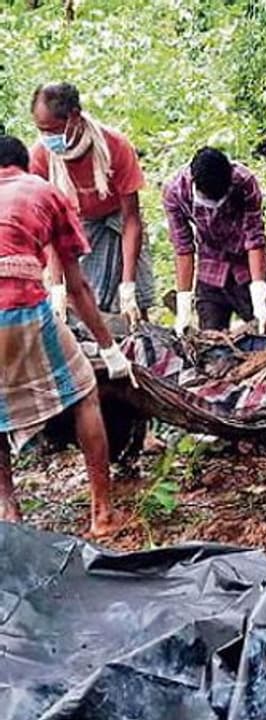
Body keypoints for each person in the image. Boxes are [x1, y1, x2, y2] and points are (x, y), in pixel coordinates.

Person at [0, 135, 132, 537]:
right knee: (83, 391)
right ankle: (103, 512)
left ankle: (7, 512)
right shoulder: (44, 191)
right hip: (18, 303)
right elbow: (78, 288)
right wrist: (109, 348)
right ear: (24, 164)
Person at [29, 83, 155, 325]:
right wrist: (57, 286)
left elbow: (131, 220)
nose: (47, 138)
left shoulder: (114, 146)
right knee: (82, 303)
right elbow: (50, 228)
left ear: (74, 117)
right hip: (77, 223)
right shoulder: (41, 157)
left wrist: (128, 286)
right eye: (41, 130)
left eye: (53, 130)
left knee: (135, 306)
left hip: (117, 218)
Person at [162, 147, 266, 334]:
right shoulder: (175, 193)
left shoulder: (244, 182)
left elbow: (254, 239)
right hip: (210, 271)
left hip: (246, 266)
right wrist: (183, 307)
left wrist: (259, 296)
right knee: (210, 342)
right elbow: (183, 248)